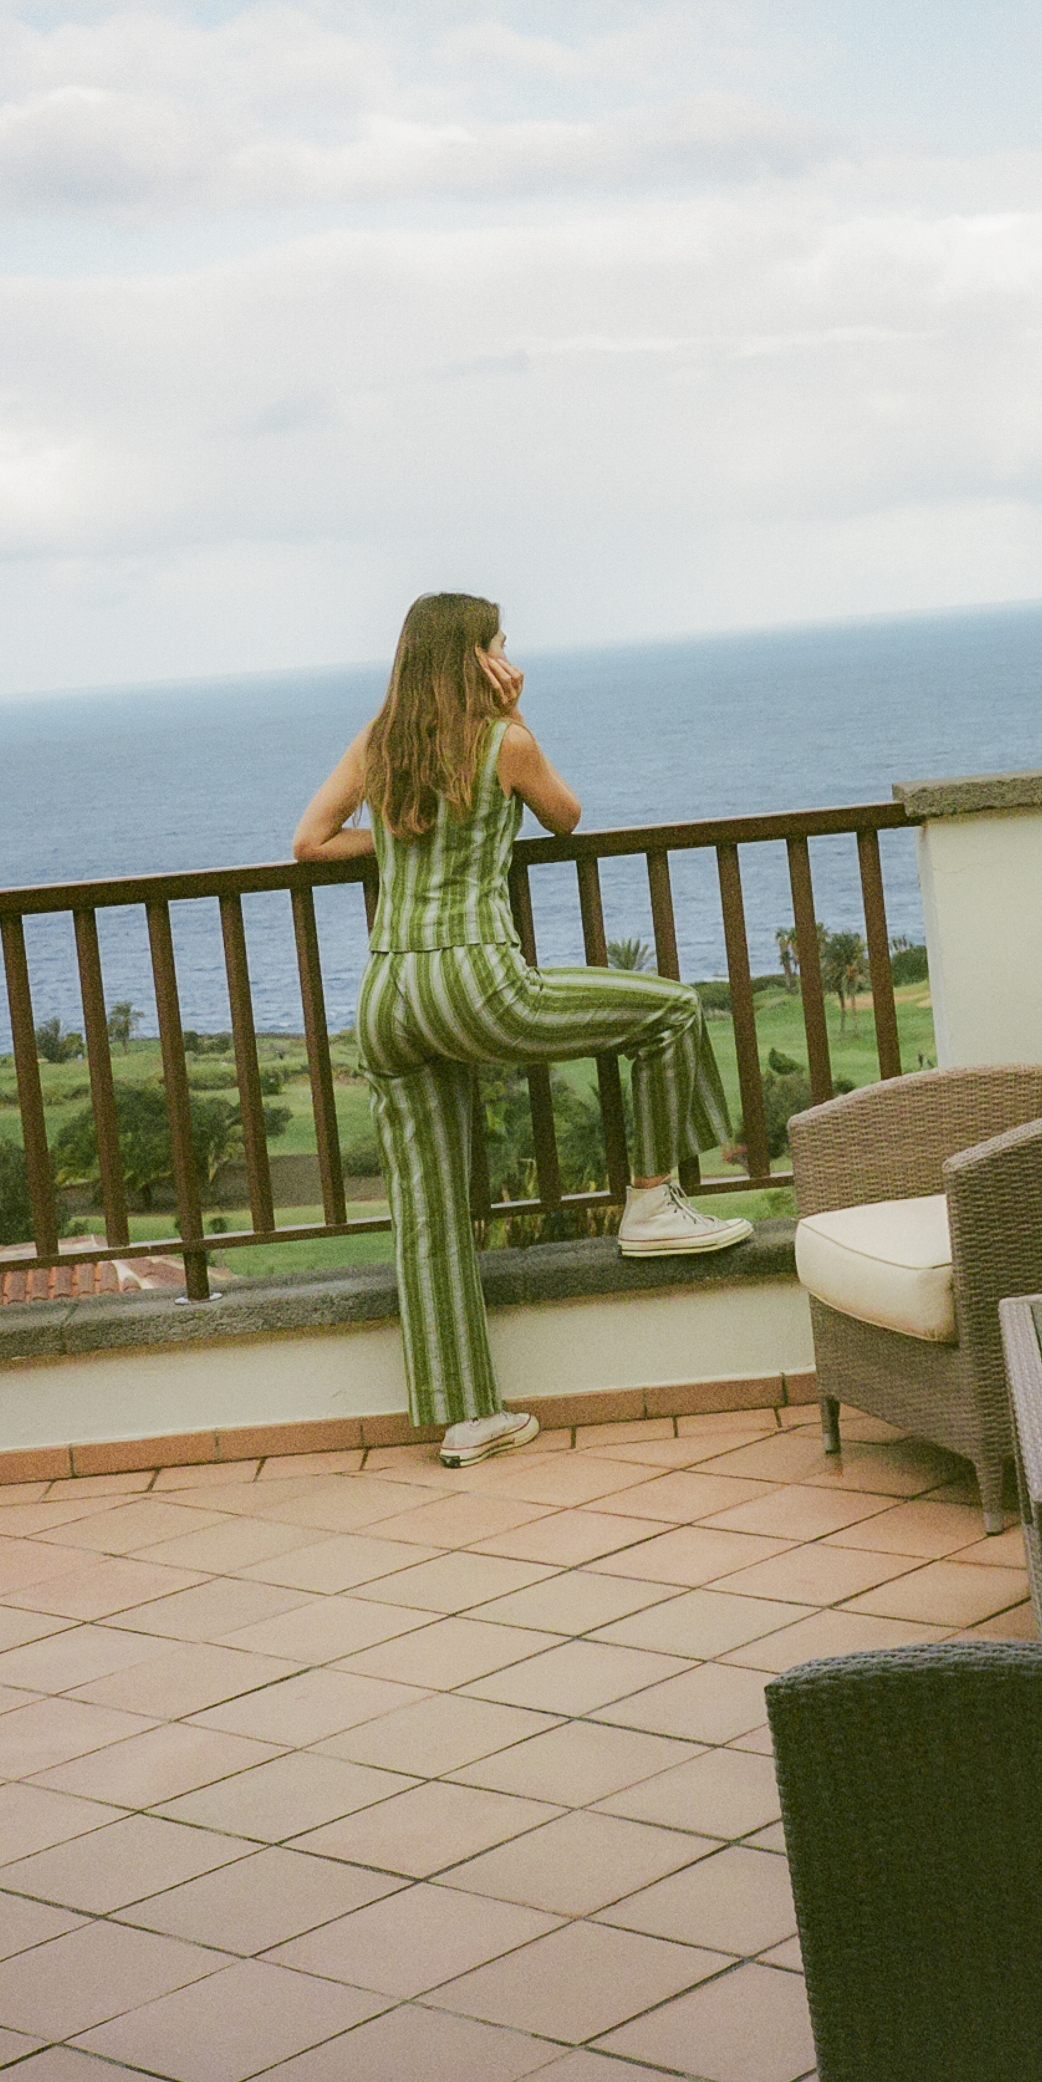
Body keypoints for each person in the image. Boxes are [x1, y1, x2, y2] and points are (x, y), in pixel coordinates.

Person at [294, 591, 750, 1468]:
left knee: (425, 1213)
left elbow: (310, 842)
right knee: (670, 1011)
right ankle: (651, 1199)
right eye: (500, 644)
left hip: (388, 997)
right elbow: (568, 816)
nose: (509, 653)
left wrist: (391, 847)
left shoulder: (379, 742)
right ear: (478, 659)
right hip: (475, 983)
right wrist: (514, 713)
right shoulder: (506, 742)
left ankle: (468, 1416)